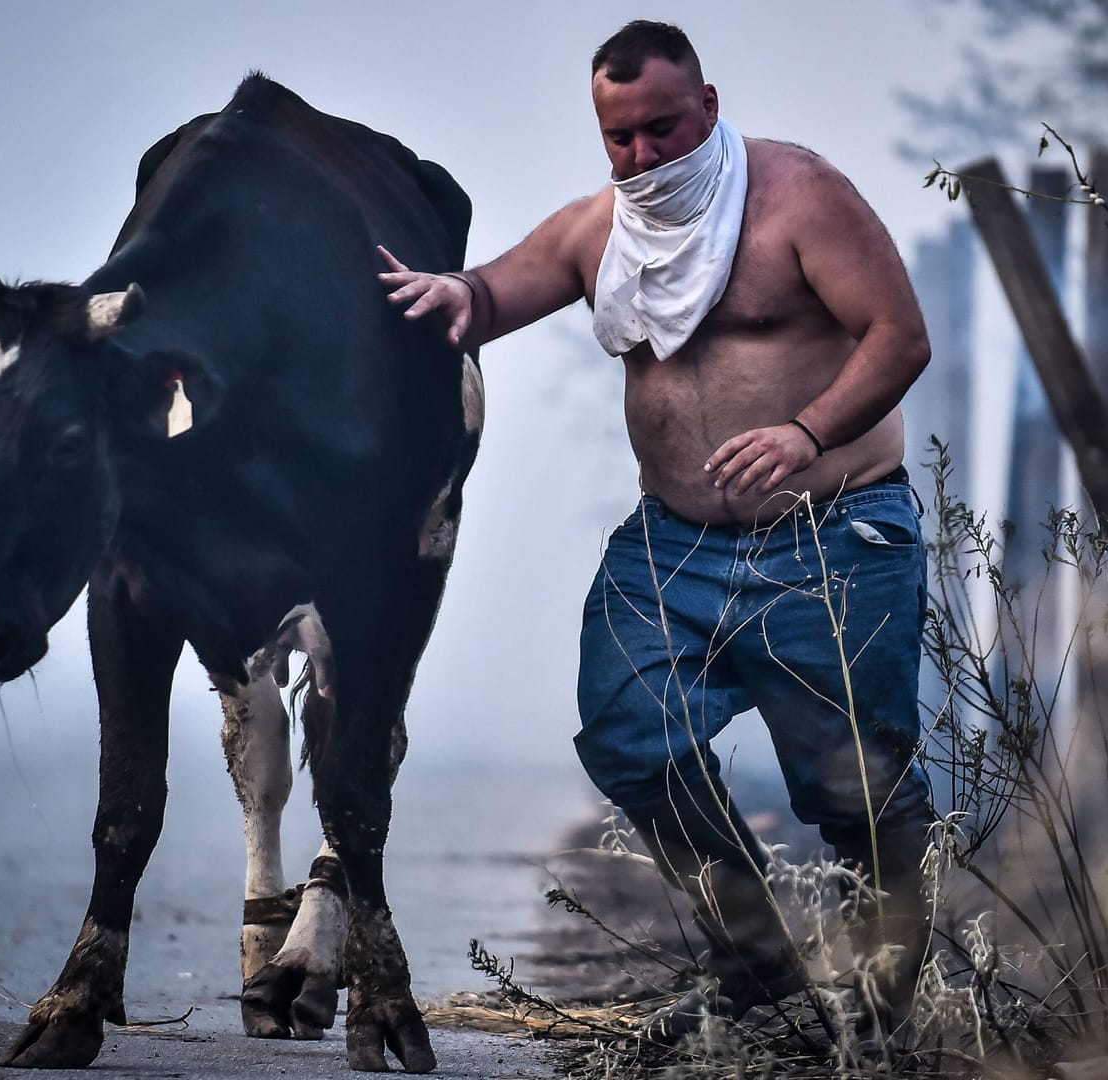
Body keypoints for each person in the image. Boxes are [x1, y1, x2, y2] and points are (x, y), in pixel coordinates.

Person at [379, 20, 936, 1039]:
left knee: (856, 785)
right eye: (620, 139)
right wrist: (452, 292)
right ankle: (761, 971)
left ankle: (880, 1022)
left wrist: (805, 433)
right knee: (632, 738)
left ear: (709, 107)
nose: (643, 156)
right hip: (672, 545)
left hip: (833, 535)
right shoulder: (603, 230)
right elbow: (501, 291)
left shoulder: (799, 198)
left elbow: (901, 337)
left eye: (664, 129)